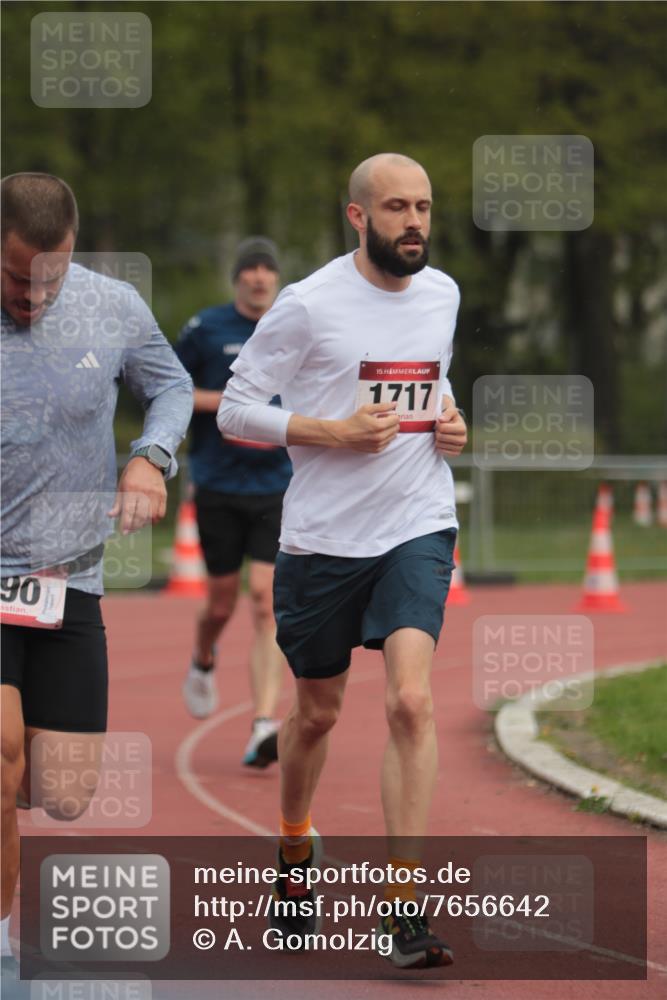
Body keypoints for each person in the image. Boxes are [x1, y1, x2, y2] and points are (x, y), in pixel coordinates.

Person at [218, 153, 467, 970]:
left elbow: (431, 385)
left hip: (416, 522)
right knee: (317, 715)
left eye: (422, 206)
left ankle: (401, 907)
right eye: (396, 207)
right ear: (357, 216)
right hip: (323, 539)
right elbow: (235, 411)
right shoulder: (308, 304)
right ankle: (294, 849)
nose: (414, 222)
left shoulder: (442, 294)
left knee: (410, 702)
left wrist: (450, 420)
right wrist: (329, 431)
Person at [0, 173, 193, 975]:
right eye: (17, 279)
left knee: (64, 791)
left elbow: (171, 387)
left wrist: (151, 456)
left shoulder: (112, 306)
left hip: (68, 578)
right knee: (1, 754)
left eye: (50, 280)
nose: (34, 297)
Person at [176, 238, 291, 768]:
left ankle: (263, 723)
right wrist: (229, 404)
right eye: (251, 269)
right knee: (221, 603)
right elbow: (170, 390)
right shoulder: (206, 328)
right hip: (219, 485)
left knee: (266, 600)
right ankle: (203, 658)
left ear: (276, 279)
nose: (260, 277)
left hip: (277, 484)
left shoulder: (293, 326)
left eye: (268, 269)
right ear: (238, 277)